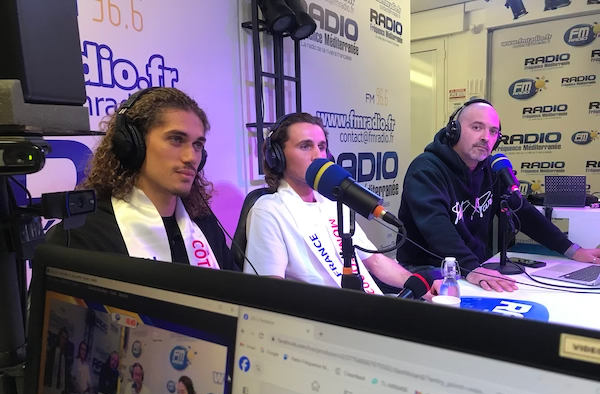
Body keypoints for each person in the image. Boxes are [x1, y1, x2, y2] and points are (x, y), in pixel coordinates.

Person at [396, 98, 600, 292]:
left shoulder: (491, 170)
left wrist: (573, 250)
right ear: (454, 130)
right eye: (477, 127)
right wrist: (470, 267)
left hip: (471, 267)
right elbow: (436, 226)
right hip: (424, 270)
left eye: (493, 131)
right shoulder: (426, 170)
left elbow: (522, 212)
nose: (486, 137)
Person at [243, 113, 440, 296]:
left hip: (360, 308)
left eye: (321, 147)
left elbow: (375, 261)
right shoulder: (268, 211)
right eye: (305, 146)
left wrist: (424, 287)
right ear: (277, 156)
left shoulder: (333, 201)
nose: (318, 156)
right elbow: (269, 291)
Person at [45, 87, 238, 271]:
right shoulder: (81, 235)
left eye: (197, 145)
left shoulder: (204, 226)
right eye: (176, 139)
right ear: (132, 145)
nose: (191, 157)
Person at [43, 327, 74, 394]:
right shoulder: (52, 352)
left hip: (62, 393)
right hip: (50, 388)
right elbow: (47, 370)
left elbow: (67, 376)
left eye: (66, 339)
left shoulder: (66, 356)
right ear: (59, 337)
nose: (64, 341)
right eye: (63, 338)